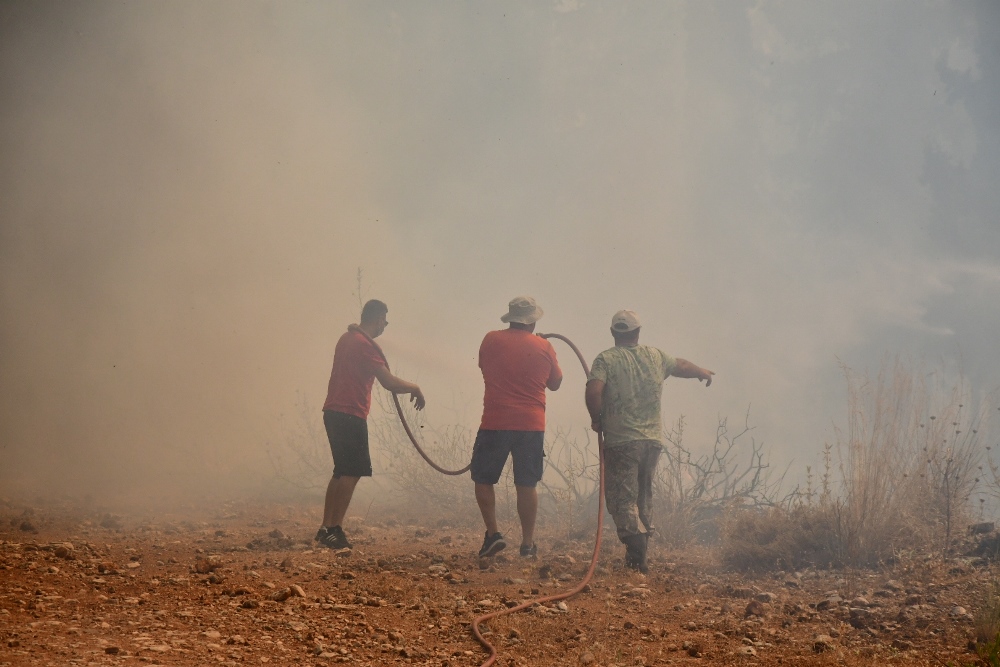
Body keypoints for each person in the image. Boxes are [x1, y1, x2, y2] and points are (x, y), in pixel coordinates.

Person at [584, 310, 714, 573]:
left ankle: (636, 550)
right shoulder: (655, 356)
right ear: (638, 332)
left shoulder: (606, 359)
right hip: (651, 441)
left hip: (621, 441)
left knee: (622, 498)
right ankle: (640, 549)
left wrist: (596, 419)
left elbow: (594, 390)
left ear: (613, 333)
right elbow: (683, 366)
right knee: (643, 493)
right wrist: (702, 371)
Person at [315, 299, 425, 550]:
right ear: (377, 319)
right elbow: (388, 382)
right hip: (349, 413)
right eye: (385, 319)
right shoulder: (365, 345)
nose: (386, 324)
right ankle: (333, 529)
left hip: (333, 411)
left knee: (341, 471)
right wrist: (415, 387)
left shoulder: (347, 338)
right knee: (352, 471)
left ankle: (325, 528)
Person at [472, 296, 563, 558]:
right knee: (526, 484)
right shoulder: (545, 346)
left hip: (495, 422)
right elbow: (555, 383)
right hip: (531, 426)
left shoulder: (490, 339)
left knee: (483, 479)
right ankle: (527, 544)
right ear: (533, 321)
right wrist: (539, 347)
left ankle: (493, 535)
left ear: (510, 318)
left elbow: (484, 367)